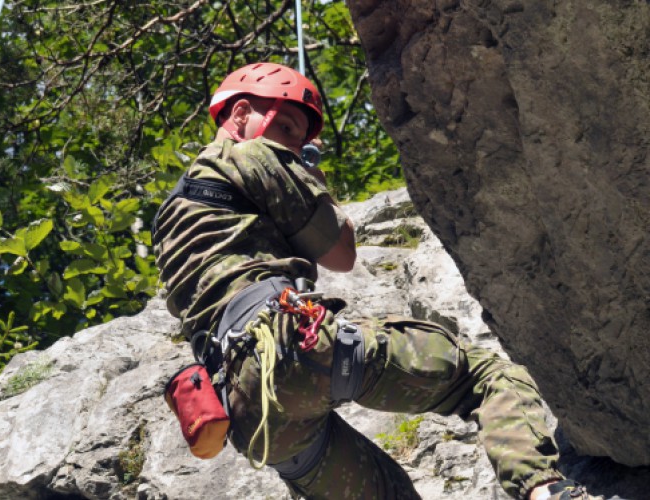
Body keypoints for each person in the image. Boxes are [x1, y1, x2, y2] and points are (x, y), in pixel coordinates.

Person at [153, 62, 596, 500]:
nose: (292, 143)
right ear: (241, 113)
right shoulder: (250, 154)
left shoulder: (169, 220)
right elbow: (339, 253)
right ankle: (545, 491)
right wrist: (312, 180)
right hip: (291, 346)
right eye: (286, 127)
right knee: (483, 376)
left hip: (247, 409)